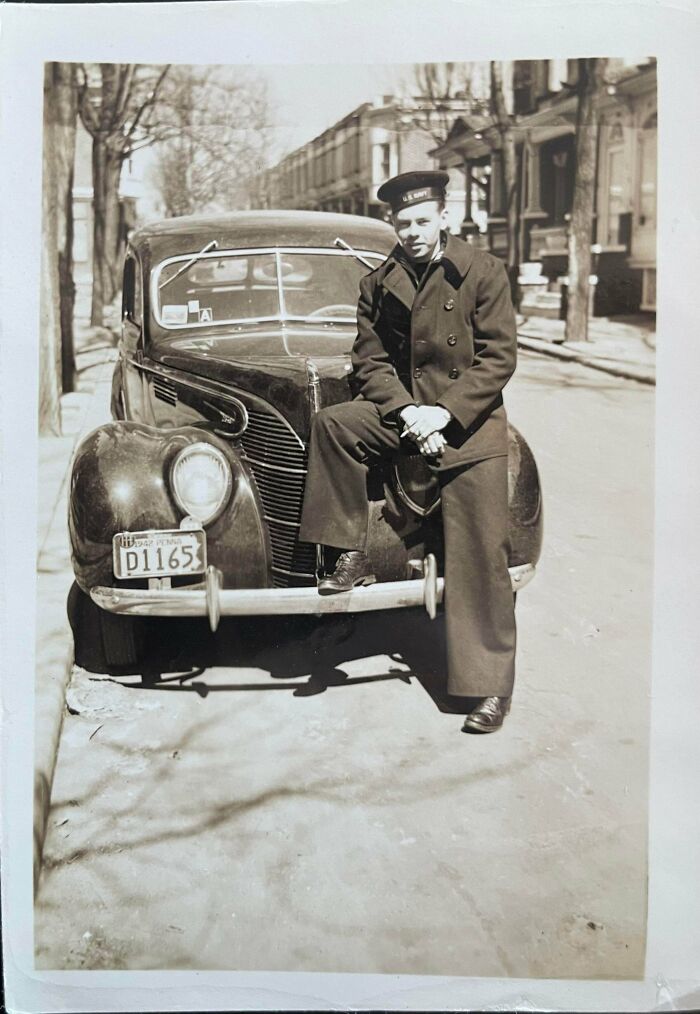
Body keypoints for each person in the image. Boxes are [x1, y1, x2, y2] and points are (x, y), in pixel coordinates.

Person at [298, 171, 517, 734]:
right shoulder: (378, 282)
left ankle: (488, 689)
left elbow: (498, 359)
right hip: (407, 416)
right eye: (402, 222)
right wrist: (407, 413)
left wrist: (442, 413)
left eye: (422, 221)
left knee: (481, 558)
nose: (412, 232)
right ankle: (346, 554)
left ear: (444, 217)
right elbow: (368, 362)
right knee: (335, 426)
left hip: (469, 428)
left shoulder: (483, 271)